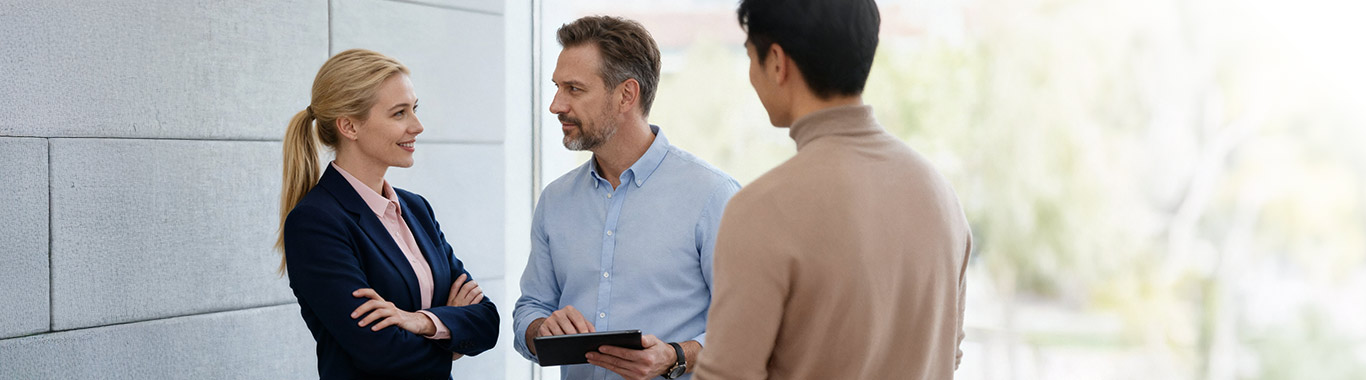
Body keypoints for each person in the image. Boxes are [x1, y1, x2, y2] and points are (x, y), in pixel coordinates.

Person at [695, 0, 974, 378]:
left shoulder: (760, 209)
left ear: (777, 62)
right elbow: (946, 356)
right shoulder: (941, 195)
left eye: (749, 56)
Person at [513, 16, 741, 380]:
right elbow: (531, 307)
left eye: (574, 89)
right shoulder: (555, 201)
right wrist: (540, 328)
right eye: (557, 87)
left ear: (626, 95)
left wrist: (675, 356)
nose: (556, 104)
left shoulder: (712, 195)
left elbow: (747, 326)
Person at [277, 48, 500, 379]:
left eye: (414, 109)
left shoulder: (416, 209)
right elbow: (382, 353)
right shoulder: (315, 223)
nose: (418, 126)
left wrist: (420, 321)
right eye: (399, 113)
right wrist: (450, 335)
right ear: (349, 126)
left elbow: (486, 321)